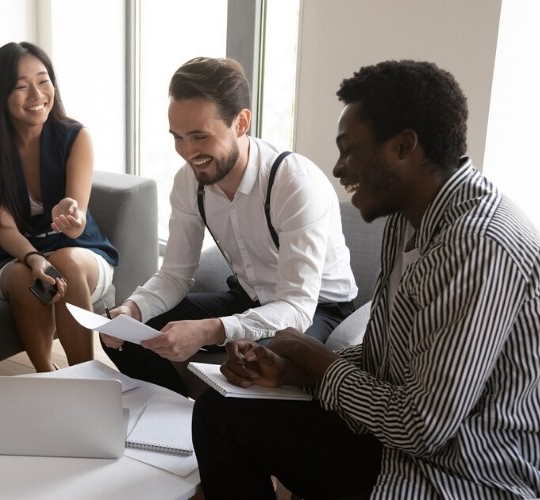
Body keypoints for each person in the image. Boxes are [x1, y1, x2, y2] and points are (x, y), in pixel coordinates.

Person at [192, 60, 540, 499]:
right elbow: (384, 358)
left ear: (403, 146)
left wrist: (317, 360)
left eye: (349, 149)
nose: (338, 169)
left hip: (460, 475)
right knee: (219, 411)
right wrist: (292, 370)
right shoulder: (408, 221)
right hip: (403, 449)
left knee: (225, 419)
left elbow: (422, 428)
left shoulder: (478, 246)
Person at [102, 57, 358, 396]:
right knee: (129, 333)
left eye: (199, 136)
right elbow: (176, 274)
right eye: (178, 137)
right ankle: (174, 419)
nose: (188, 152)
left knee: (257, 364)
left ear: (241, 122)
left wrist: (208, 331)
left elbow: (297, 307)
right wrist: (132, 308)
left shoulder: (294, 183)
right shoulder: (188, 182)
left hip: (317, 308)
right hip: (250, 296)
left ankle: (210, 424)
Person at [0, 42, 118, 372]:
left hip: (81, 251)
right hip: (17, 255)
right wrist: (35, 258)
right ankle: (46, 375)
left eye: (43, 80)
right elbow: (4, 228)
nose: (37, 95)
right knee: (27, 278)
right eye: (21, 87)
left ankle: (85, 379)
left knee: (64, 260)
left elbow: (77, 227)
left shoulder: (75, 137)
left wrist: (69, 214)